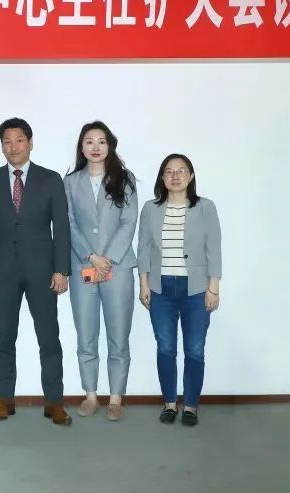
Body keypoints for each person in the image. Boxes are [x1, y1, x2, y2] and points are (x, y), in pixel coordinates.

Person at [0, 117, 73, 426]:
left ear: (30, 143)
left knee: (49, 337)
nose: (13, 146)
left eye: (19, 140)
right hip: (1, 271)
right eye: (7, 141)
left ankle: (54, 402)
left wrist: (62, 270)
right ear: (1, 146)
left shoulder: (50, 179)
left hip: (43, 271)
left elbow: (62, 228)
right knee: (4, 336)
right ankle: (4, 399)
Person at [137, 154, 221, 427]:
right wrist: (144, 284)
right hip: (161, 288)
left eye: (181, 171)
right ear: (162, 177)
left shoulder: (205, 207)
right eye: (169, 171)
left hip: (196, 289)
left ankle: (191, 406)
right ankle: (170, 403)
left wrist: (213, 288)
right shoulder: (150, 208)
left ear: (191, 176)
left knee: (195, 349)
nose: (175, 176)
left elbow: (214, 248)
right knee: (165, 348)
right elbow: (143, 248)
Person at [63, 121, 138, 421]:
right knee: (86, 334)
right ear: (81, 147)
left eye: (102, 141)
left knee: (119, 336)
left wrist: (108, 257)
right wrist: (91, 256)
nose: (95, 147)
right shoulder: (70, 182)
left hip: (117, 268)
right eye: (89, 141)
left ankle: (116, 398)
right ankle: (91, 395)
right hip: (83, 266)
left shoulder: (124, 179)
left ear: (110, 146)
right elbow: (68, 222)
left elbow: (129, 221)